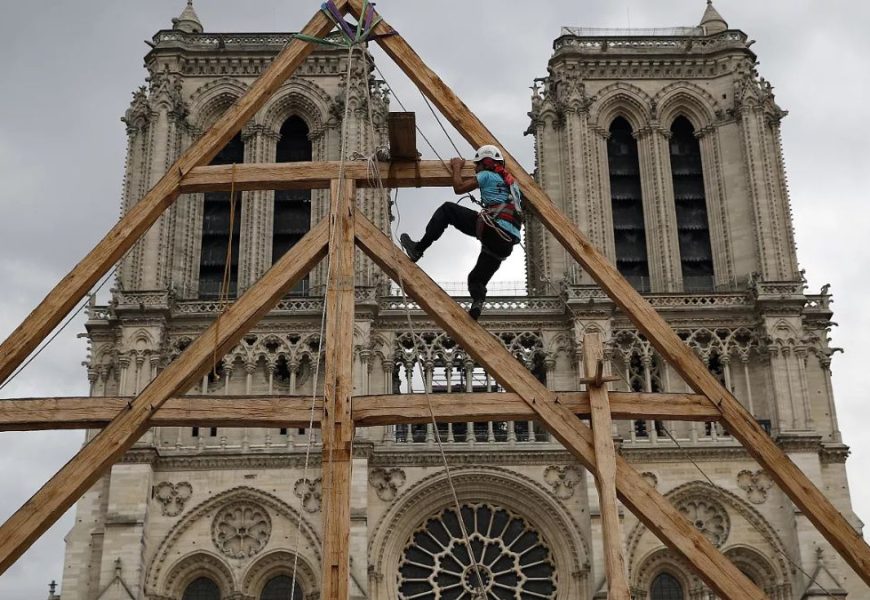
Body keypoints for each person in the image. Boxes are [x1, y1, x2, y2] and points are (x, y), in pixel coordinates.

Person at [400, 145, 522, 320]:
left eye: (476, 165)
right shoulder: (513, 186)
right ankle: (477, 303)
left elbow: (458, 187)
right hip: (506, 243)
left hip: (492, 229)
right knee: (476, 279)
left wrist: (456, 166)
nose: (474, 168)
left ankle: (418, 248)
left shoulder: (486, 175)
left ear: (484, 164)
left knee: (448, 210)